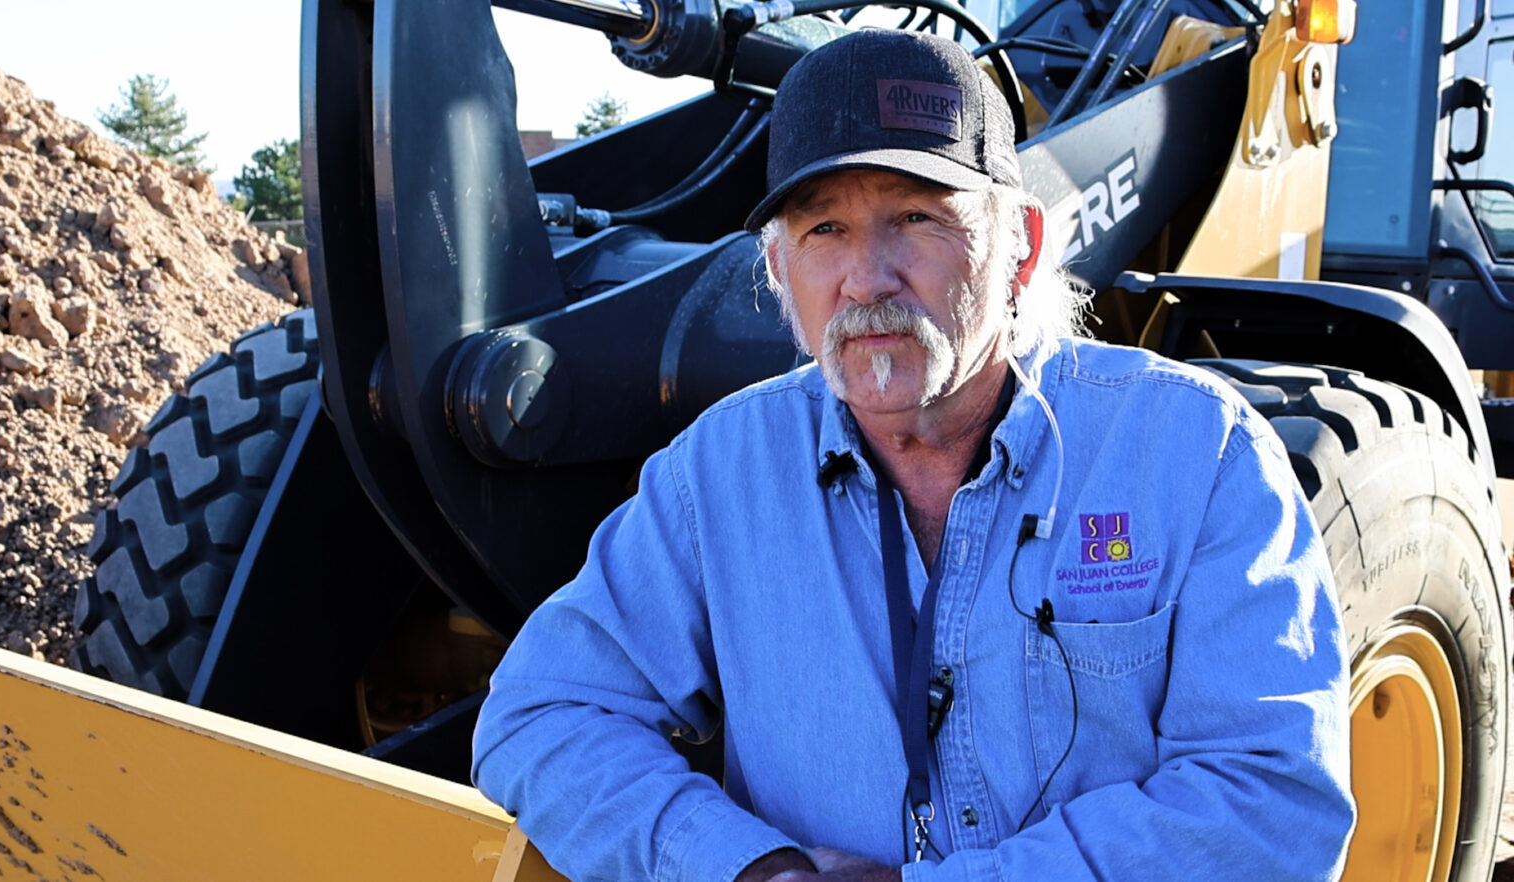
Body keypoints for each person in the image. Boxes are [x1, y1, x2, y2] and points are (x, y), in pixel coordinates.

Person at [472, 27, 1354, 882]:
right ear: (778, 270)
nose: (868, 278)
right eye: (825, 232)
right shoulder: (718, 476)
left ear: (1022, 247)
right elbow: (541, 714)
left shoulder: (1194, 452)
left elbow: (1273, 804)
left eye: (917, 218)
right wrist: (745, 866)